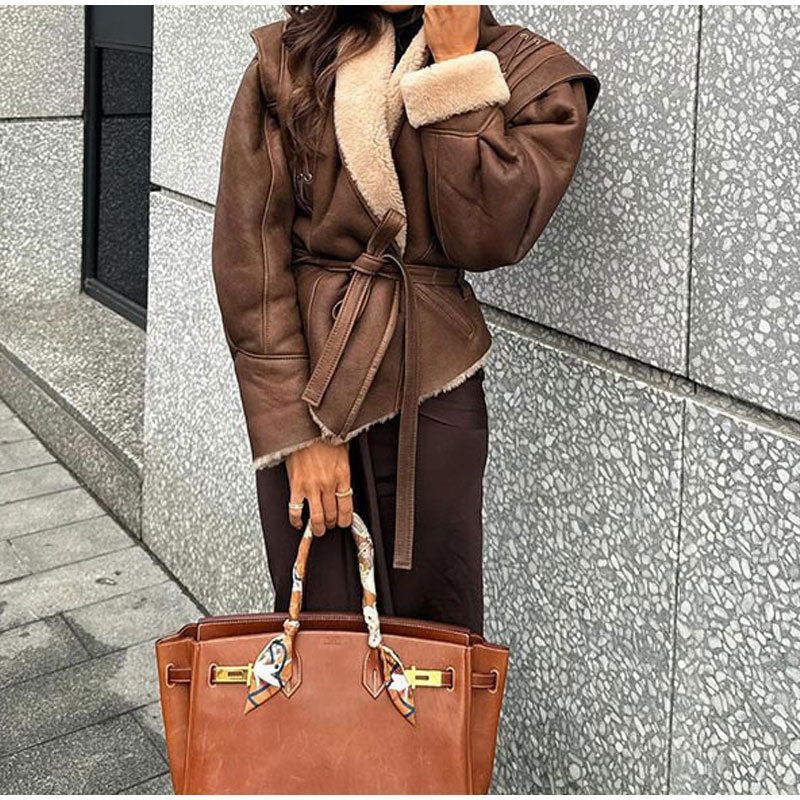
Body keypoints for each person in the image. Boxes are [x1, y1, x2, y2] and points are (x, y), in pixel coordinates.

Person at [211, 5, 599, 636]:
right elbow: (248, 259)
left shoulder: (530, 73)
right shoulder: (289, 58)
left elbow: (488, 236)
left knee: (433, 636)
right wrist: (299, 433)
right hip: (311, 380)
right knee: (320, 633)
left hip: (433, 383)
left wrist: (457, 70)